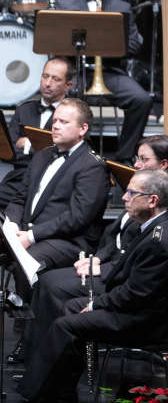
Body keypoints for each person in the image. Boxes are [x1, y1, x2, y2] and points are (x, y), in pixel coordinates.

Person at [0, 98, 109, 345]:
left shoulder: (93, 166)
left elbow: (78, 217)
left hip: (66, 241)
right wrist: (11, 225)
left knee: (26, 262)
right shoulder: (43, 155)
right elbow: (20, 196)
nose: (55, 126)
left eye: (64, 122)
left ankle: (28, 337)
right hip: (24, 233)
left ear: (82, 129)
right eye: (55, 120)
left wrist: (31, 236)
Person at [15, 169, 168, 403]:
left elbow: (136, 294)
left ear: (152, 200)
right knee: (70, 307)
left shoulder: (159, 239)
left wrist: (98, 304)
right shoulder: (152, 227)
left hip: (145, 321)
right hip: (136, 307)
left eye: (132, 193)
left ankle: (35, 402)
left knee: (67, 325)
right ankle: (63, 392)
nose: (125, 198)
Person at [9, 136, 168, 365]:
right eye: (137, 158)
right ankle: (37, 350)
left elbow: (138, 257)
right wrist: (96, 258)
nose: (137, 164)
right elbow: (114, 237)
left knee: (56, 287)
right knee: (48, 280)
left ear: (163, 164)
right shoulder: (139, 186)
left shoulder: (155, 202)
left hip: (124, 278)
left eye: (144, 159)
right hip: (109, 264)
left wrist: (102, 267)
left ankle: (57, 356)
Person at [55, 0, 150, 163]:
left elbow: (134, 44)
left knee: (141, 100)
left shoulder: (121, 7)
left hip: (109, 71)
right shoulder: (65, 5)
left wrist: (108, 46)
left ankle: (123, 157)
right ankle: (67, 156)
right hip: (76, 70)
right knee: (58, 95)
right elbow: (55, 43)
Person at [0, 57, 74, 208]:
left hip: (53, 185)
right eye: (45, 76)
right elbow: (7, 153)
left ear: (68, 85)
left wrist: (27, 145)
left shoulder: (73, 113)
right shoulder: (24, 110)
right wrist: (42, 149)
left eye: (56, 79)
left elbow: (67, 155)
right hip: (19, 181)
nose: (48, 83)